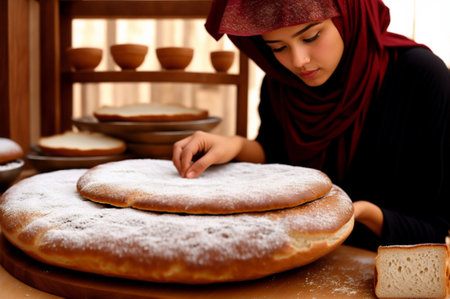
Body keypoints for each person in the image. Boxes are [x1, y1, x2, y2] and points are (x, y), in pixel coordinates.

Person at [172, 0, 450, 251]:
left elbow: (432, 230)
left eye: (311, 36)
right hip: (295, 261)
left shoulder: (422, 78)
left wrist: (360, 212)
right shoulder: (283, 83)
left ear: (348, 15)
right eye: (278, 48)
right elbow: (278, 156)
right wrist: (235, 144)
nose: (298, 61)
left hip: (379, 267)